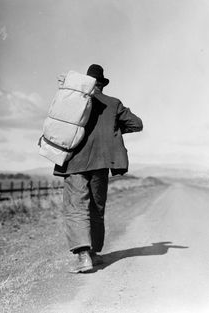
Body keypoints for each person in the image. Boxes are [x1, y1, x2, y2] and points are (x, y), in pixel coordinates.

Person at [54, 64, 143, 273]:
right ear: (102, 84)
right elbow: (137, 124)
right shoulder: (113, 104)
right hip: (102, 162)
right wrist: (112, 131)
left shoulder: (73, 99)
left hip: (74, 161)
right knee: (96, 207)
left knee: (76, 207)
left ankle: (84, 257)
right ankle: (93, 253)